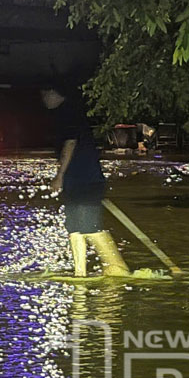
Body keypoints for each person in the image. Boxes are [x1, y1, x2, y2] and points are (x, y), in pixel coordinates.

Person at [41, 85, 130, 277]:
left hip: (86, 180)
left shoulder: (69, 114)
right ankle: (79, 273)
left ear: (54, 92)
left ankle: (118, 267)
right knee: (74, 229)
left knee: (89, 227)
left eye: (45, 94)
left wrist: (59, 176)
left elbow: (70, 143)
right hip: (75, 182)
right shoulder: (64, 115)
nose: (43, 99)